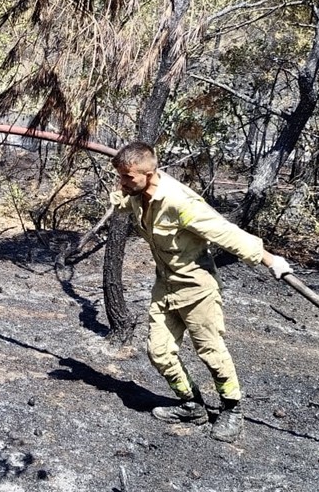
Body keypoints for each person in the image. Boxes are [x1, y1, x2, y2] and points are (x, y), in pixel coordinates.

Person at [110, 141, 293, 442]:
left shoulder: (180, 202)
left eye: (127, 176)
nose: (122, 182)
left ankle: (232, 410)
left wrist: (270, 260)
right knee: (158, 351)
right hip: (165, 286)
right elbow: (124, 199)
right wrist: (121, 192)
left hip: (197, 289)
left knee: (211, 352)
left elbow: (225, 232)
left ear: (150, 172)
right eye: (121, 176)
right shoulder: (137, 192)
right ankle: (192, 405)